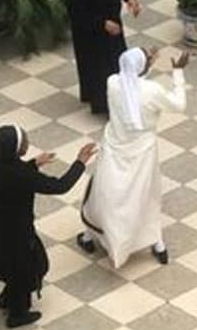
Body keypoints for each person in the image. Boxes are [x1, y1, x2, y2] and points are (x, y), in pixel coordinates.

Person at [79, 47, 188, 266]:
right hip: (142, 152)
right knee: (145, 196)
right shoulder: (153, 91)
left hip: (114, 148)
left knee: (104, 193)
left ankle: (90, 235)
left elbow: (129, 79)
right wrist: (177, 72)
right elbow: (179, 105)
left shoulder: (113, 83)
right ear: (142, 67)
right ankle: (157, 243)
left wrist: (145, 62)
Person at [0, 125, 96, 328]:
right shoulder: (21, 175)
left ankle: (8, 298)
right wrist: (80, 162)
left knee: (15, 267)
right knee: (28, 267)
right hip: (14, 235)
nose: (27, 144)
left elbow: (16, 174)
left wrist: (33, 163)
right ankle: (17, 314)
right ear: (15, 148)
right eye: (24, 142)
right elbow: (60, 186)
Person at [66, 0, 140, 114]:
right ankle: (103, 105)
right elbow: (77, 11)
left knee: (117, 61)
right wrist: (102, 23)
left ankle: (123, 98)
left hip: (113, 24)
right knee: (99, 69)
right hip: (91, 33)